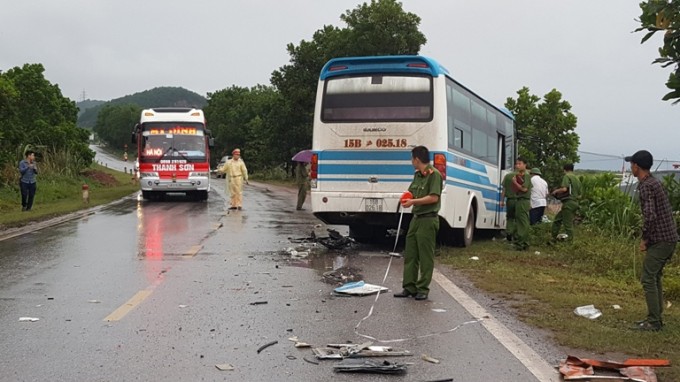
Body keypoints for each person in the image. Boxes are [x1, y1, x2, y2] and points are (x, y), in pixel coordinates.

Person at [625, 150, 678, 331]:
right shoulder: (655, 182)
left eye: (631, 164)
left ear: (636, 166)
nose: (631, 167)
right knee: (655, 277)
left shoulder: (646, 185)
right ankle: (656, 318)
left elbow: (650, 215)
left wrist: (645, 239)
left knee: (648, 278)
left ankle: (654, 321)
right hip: (669, 238)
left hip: (661, 239)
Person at [394, 146, 442, 301]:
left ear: (416, 159)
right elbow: (412, 192)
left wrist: (413, 201)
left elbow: (434, 197)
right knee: (411, 253)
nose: (411, 162)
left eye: (411, 159)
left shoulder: (434, 175)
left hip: (428, 219)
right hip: (416, 219)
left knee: (425, 256)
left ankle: (423, 289)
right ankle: (409, 287)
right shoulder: (418, 176)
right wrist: (406, 198)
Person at [550, 163, 581, 243]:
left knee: (567, 224)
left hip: (568, 203)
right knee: (557, 220)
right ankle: (554, 238)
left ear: (564, 169)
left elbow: (564, 189)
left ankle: (570, 242)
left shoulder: (567, 176)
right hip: (574, 203)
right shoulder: (577, 179)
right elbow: (579, 194)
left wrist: (555, 191)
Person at [511, 158, 532, 250]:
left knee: (522, 223)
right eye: (516, 164)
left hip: (523, 201)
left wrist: (515, 182)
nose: (517, 166)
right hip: (521, 200)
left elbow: (524, 189)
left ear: (525, 165)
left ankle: (521, 243)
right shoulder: (520, 175)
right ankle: (524, 243)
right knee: (522, 222)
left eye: (519, 164)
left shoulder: (526, 175)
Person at [500, 168, 517, 242]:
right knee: (518, 218)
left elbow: (504, 189)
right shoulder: (523, 176)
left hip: (510, 200)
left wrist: (502, 201)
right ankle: (516, 235)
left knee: (510, 218)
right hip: (519, 201)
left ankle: (509, 233)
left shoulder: (507, 176)